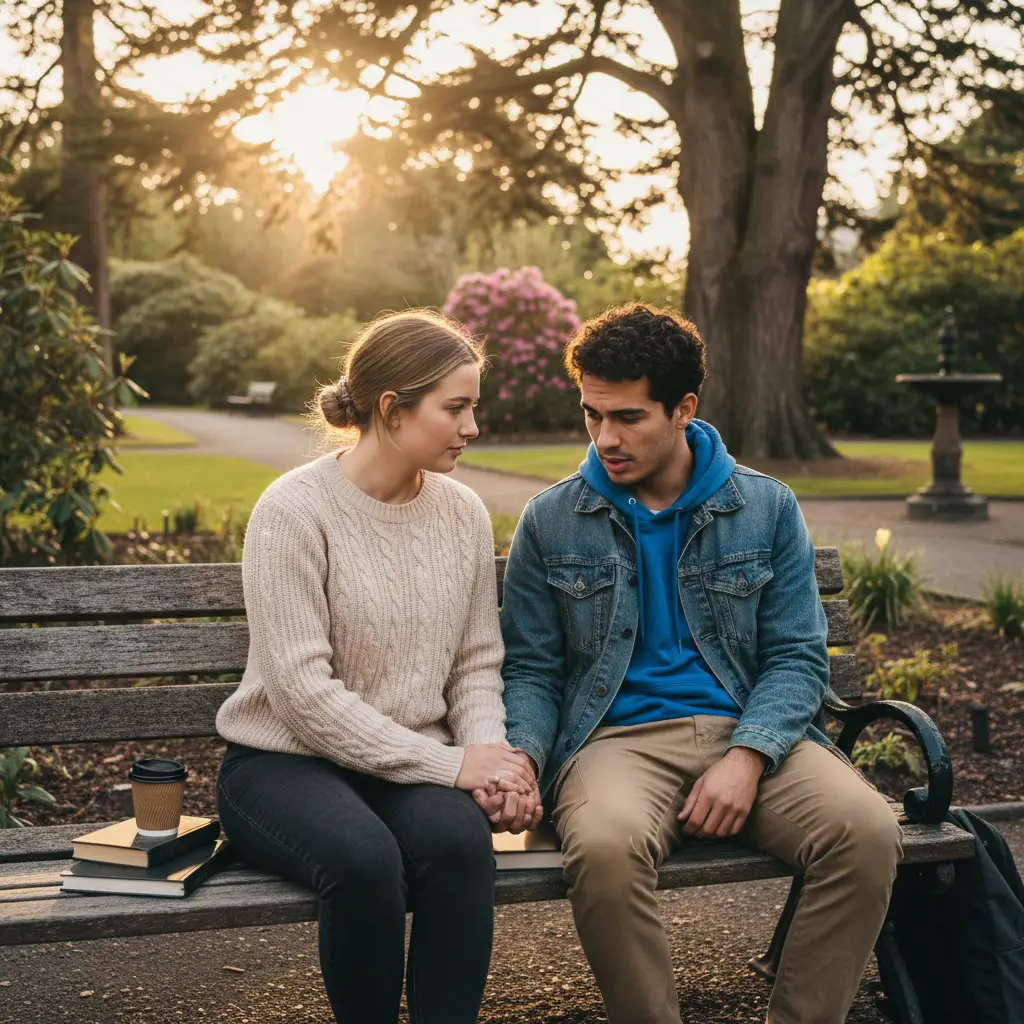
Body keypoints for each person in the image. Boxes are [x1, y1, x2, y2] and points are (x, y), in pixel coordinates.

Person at [497, 302, 904, 1024]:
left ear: (683, 408)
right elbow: (531, 670)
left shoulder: (765, 508)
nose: (605, 437)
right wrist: (524, 759)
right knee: (606, 848)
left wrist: (747, 756)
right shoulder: (552, 519)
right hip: (611, 743)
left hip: (747, 732)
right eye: (592, 415)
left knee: (866, 831)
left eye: (628, 417)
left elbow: (796, 659)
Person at [215, 309, 540, 1024]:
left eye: (473, 408)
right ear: (392, 409)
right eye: (455, 408)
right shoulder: (293, 512)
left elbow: (476, 664)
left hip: (410, 760)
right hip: (281, 764)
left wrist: (491, 755)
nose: (472, 428)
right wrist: (456, 768)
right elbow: (303, 695)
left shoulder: (460, 513)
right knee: (363, 863)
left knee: (460, 847)